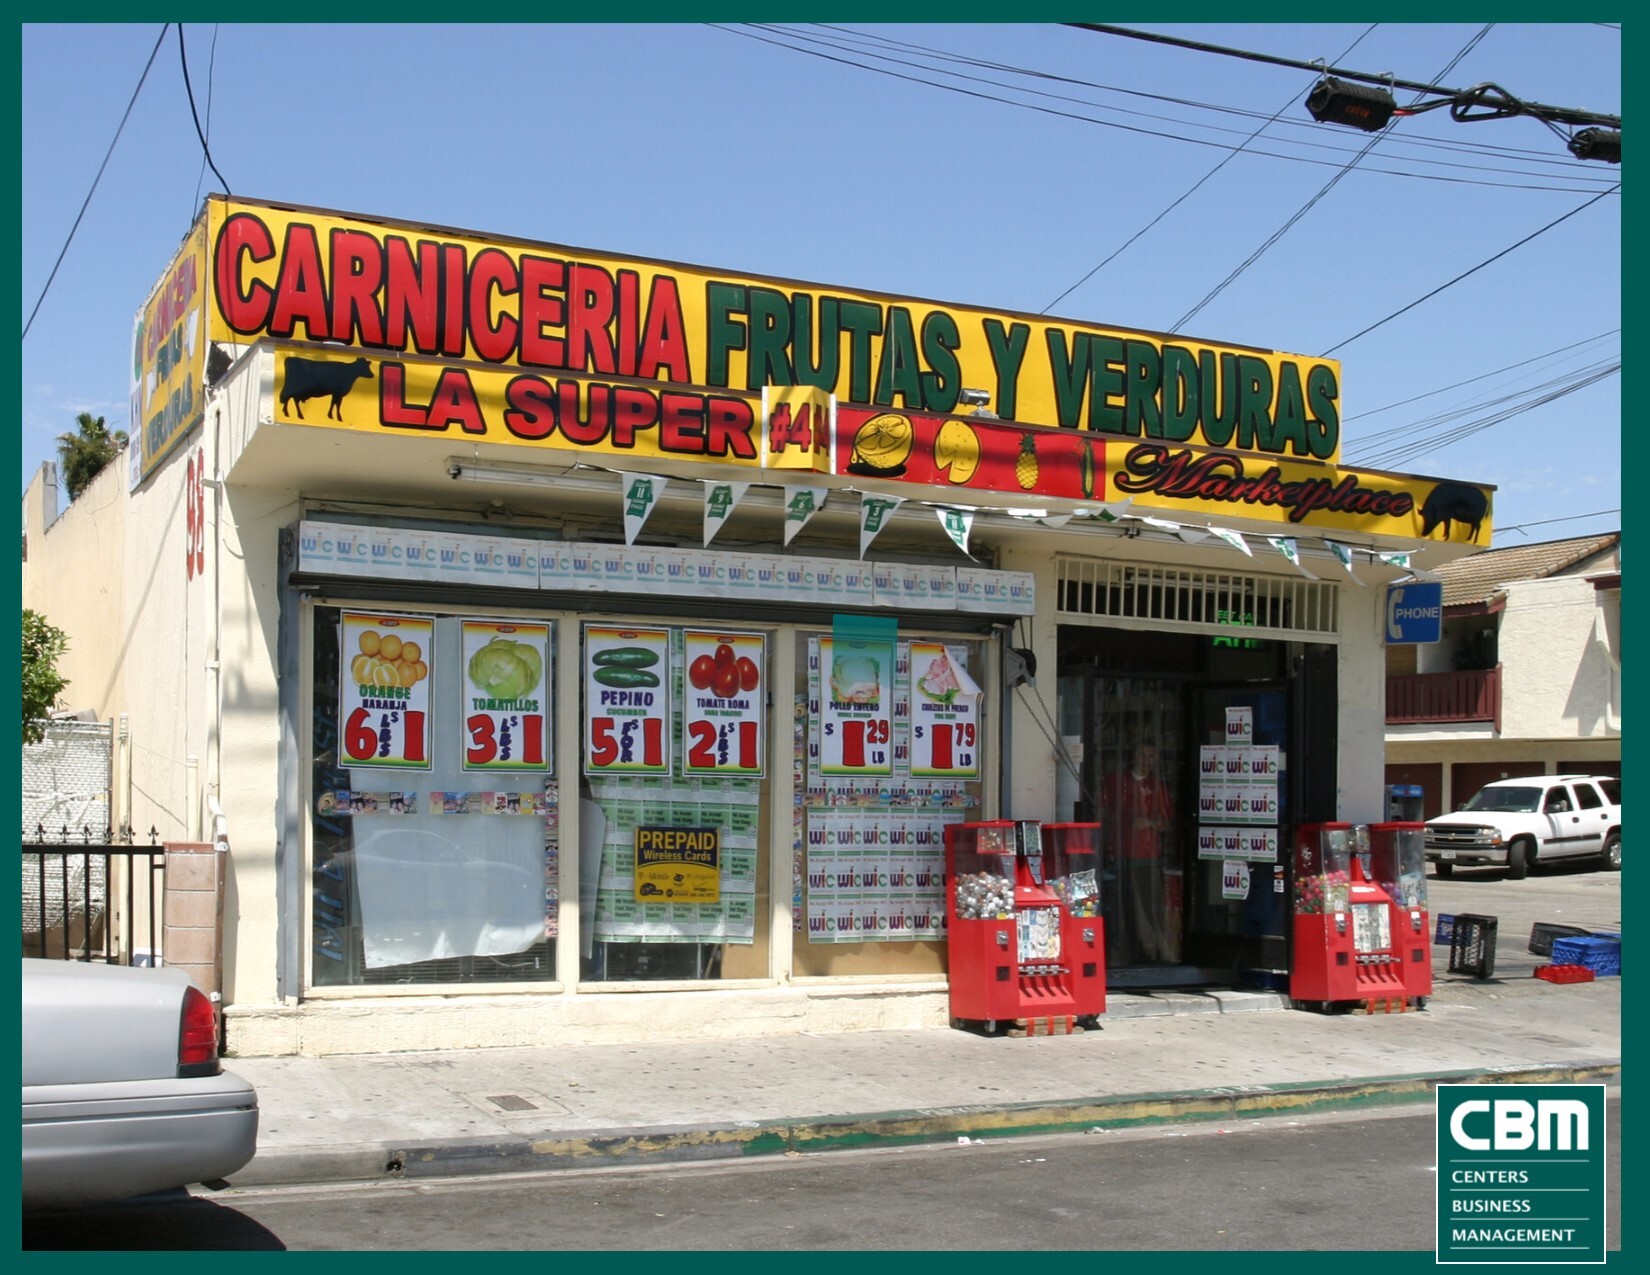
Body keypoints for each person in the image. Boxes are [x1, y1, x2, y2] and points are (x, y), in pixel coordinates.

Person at [1104, 739, 1174, 962]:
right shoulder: (1116, 781)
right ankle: (1121, 949)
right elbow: (1102, 811)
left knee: (1147, 905)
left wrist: (1149, 824)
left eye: (1152, 756)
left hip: (1147, 856)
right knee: (1120, 906)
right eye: (1143, 755)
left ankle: (1150, 949)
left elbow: (1167, 823)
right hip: (1118, 852)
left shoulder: (1157, 785)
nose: (1147, 761)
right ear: (1134, 756)